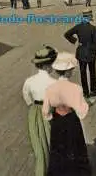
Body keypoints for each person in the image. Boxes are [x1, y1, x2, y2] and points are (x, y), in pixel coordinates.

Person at [43, 52, 91, 176]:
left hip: (57, 121)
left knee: (58, 152)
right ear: (69, 71)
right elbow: (82, 113)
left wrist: (52, 118)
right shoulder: (76, 88)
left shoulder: (49, 89)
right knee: (75, 149)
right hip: (71, 120)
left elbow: (46, 111)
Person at [23, 46, 58, 176]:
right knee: (52, 145)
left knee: (39, 147)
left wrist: (34, 106)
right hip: (50, 111)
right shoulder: (54, 82)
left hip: (34, 113)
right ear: (47, 66)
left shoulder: (29, 81)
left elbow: (26, 97)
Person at [64, 9, 96, 99]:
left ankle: (86, 93)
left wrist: (75, 40)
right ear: (89, 17)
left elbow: (66, 34)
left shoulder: (78, 27)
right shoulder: (93, 28)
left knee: (83, 72)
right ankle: (93, 90)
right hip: (91, 52)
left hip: (81, 52)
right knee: (92, 71)